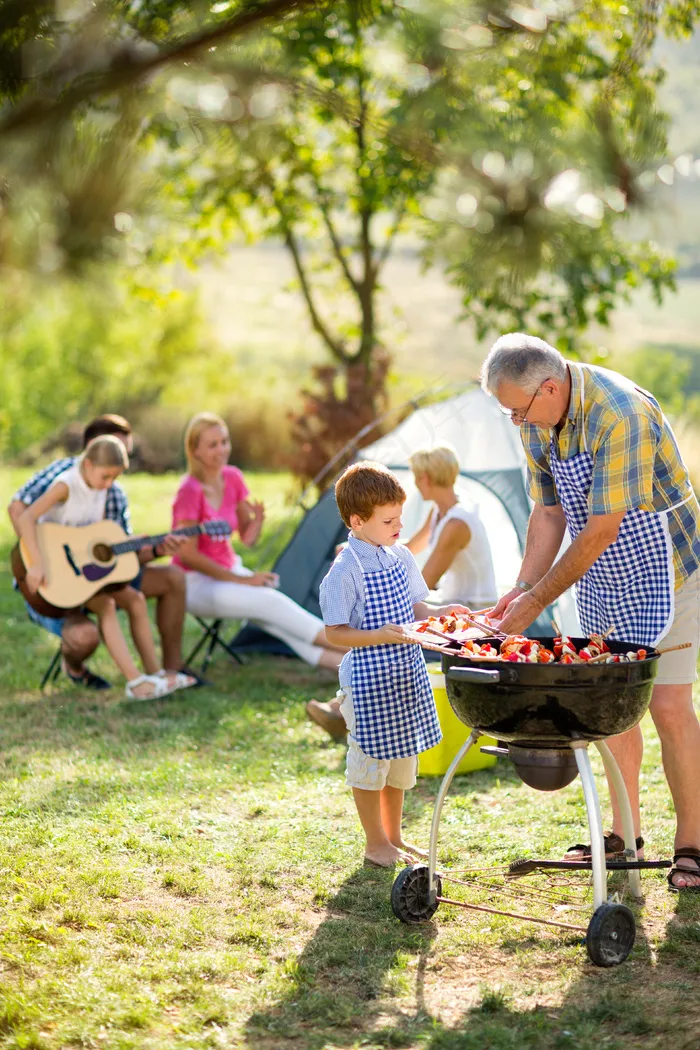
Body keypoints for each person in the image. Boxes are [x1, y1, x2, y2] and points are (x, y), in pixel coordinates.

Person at [481, 332, 700, 892]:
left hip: (671, 568)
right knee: (607, 704)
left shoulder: (619, 413)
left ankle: (692, 845)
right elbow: (549, 512)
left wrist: (536, 601)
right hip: (600, 574)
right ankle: (626, 838)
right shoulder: (538, 419)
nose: (516, 423)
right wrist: (522, 585)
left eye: (517, 410)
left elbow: (603, 527)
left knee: (670, 705)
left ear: (549, 387)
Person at [319, 461, 471, 867]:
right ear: (357, 521)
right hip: (368, 681)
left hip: (405, 674)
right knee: (370, 762)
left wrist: (442, 611)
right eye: (389, 520)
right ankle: (374, 844)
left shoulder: (401, 556)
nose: (399, 526)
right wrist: (382, 634)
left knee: (401, 760)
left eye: (400, 517)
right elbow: (335, 633)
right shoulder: (345, 569)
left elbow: (417, 606)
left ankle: (394, 837)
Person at [8, 414, 195, 689]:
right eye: (106, 476)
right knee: (108, 605)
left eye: (114, 477)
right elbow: (24, 516)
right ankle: (135, 681)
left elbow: (102, 541)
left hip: (88, 573)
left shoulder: (104, 489)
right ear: (88, 461)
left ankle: (154, 676)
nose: (109, 484)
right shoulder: (65, 483)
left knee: (134, 599)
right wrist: (36, 563)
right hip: (55, 574)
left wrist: (147, 546)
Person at [171, 412, 345, 671]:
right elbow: (188, 555)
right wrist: (244, 580)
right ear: (195, 450)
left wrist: (257, 522)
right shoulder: (190, 490)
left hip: (228, 571)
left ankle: (350, 667)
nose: (222, 450)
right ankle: (361, 647)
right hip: (194, 583)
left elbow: (247, 538)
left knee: (274, 616)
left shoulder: (232, 478)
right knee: (269, 603)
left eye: (224, 442)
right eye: (212, 445)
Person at [405, 445, 497, 609]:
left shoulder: (456, 524)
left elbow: (424, 583)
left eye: (416, 477)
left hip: (474, 610)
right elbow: (411, 547)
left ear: (425, 479)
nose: (415, 484)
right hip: (453, 600)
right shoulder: (440, 509)